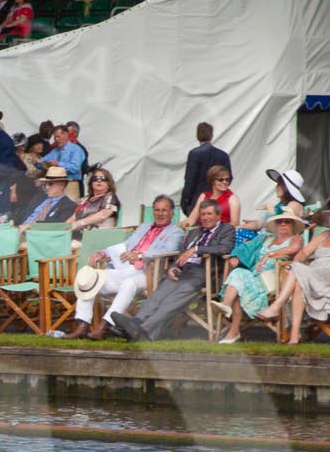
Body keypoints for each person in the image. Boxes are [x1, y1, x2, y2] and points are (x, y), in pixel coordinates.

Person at [109, 196, 235, 342]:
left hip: (205, 273)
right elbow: (181, 253)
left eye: (209, 214)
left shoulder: (227, 230)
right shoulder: (194, 233)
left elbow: (225, 248)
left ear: (218, 215)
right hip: (183, 271)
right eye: (203, 214)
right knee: (159, 294)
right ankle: (135, 323)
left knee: (173, 299)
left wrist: (196, 249)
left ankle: (142, 330)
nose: (205, 218)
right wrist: (173, 267)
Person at [58, 194, 182, 340]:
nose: (160, 214)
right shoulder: (144, 227)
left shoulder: (176, 232)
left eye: (164, 210)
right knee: (91, 278)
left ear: (172, 213)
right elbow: (126, 245)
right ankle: (82, 325)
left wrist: (140, 255)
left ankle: (104, 327)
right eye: (157, 210)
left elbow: (167, 251)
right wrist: (103, 253)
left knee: (128, 284)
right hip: (126, 269)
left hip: (148, 274)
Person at [261, 196, 330, 342]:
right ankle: (295, 334)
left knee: (296, 270)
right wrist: (296, 262)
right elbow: (304, 252)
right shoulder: (324, 234)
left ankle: (276, 306)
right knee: (297, 284)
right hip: (313, 276)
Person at [211, 204, 307, 343]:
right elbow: (246, 248)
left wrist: (270, 254)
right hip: (255, 275)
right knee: (238, 274)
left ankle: (232, 328)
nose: (283, 224)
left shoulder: (296, 239)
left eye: (287, 221)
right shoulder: (266, 238)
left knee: (238, 283)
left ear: (293, 225)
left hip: (275, 278)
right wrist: (236, 256)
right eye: (280, 221)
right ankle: (227, 308)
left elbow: (294, 249)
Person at [179, 121, 231, 215]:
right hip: (219, 201)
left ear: (197, 135)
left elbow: (189, 180)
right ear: (211, 135)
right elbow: (229, 178)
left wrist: (185, 201)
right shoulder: (223, 155)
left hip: (198, 199)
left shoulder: (195, 154)